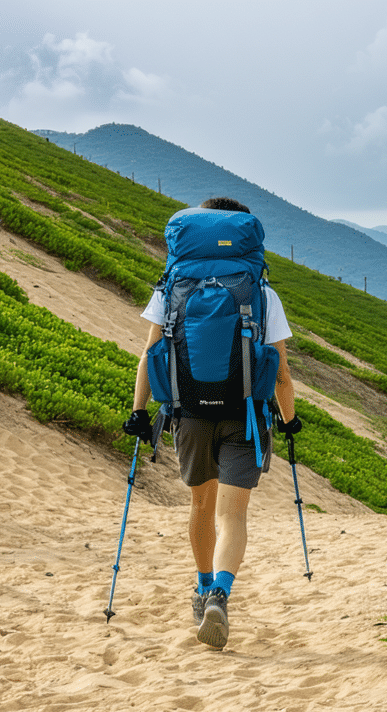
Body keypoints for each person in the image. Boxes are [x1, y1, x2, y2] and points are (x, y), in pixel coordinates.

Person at [124, 197, 302, 649]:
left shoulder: (171, 287)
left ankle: (203, 589)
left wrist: (139, 412)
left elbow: (149, 354)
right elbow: (281, 373)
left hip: (189, 414)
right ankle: (223, 590)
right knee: (233, 514)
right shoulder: (261, 293)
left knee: (201, 508)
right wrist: (289, 420)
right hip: (245, 415)